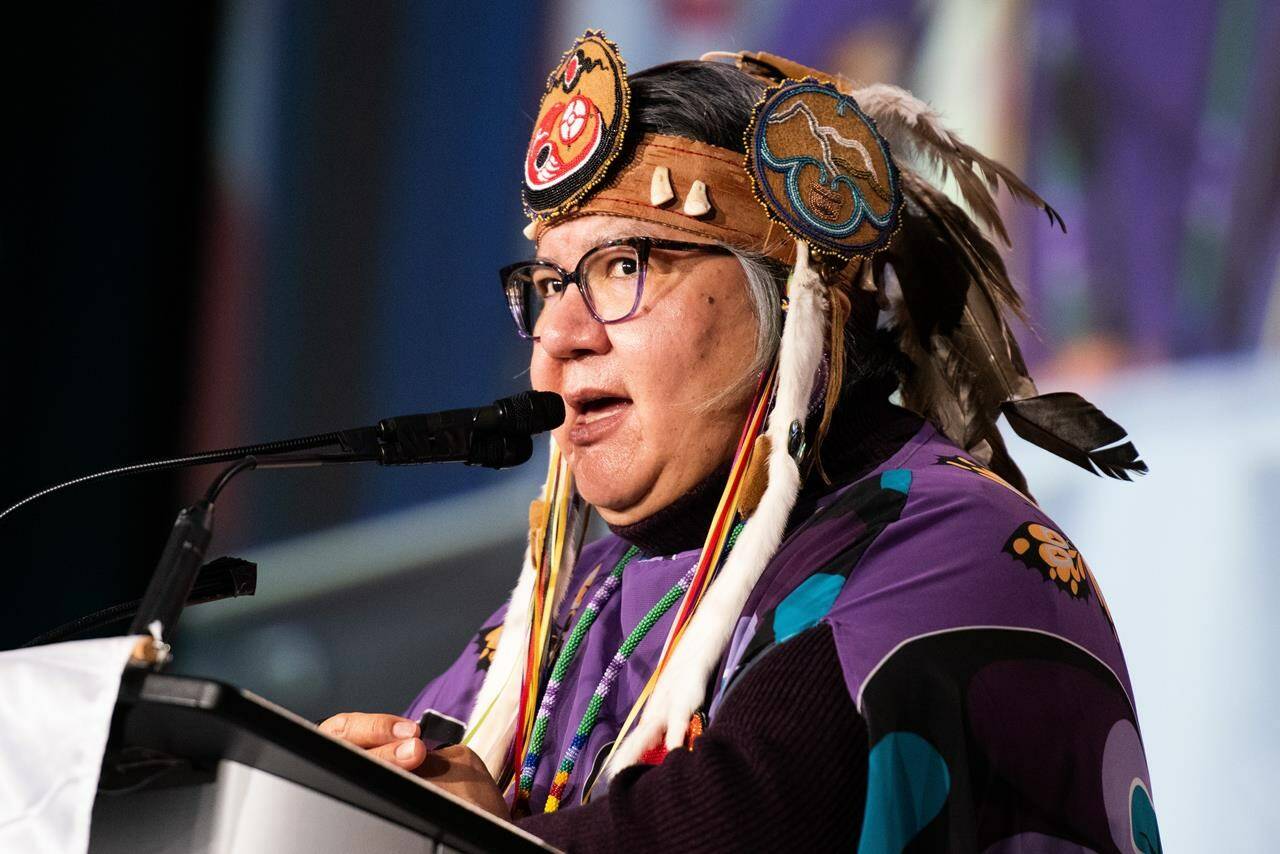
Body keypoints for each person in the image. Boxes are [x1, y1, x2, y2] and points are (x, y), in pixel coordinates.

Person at [319, 33, 1162, 852]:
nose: (559, 336)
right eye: (546, 285)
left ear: (795, 300)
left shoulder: (950, 545)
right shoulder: (562, 615)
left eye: (622, 265)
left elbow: (744, 821)